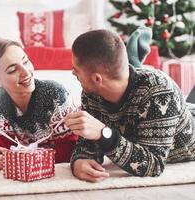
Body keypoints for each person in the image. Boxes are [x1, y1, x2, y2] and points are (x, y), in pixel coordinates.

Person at [65, 29, 195, 182]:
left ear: (97, 78)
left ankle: (135, 60)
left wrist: (104, 133)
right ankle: (134, 60)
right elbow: (87, 143)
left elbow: (154, 165)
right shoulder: (91, 92)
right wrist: (79, 161)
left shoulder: (159, 90)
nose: (73, 73)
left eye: (76, 69)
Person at [0, 38, 78, 170]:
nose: (26, 72)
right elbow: (1, 154)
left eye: (26, 61)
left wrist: (24, 159)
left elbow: (72, 150)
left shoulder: (54, 94)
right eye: (12, 70)